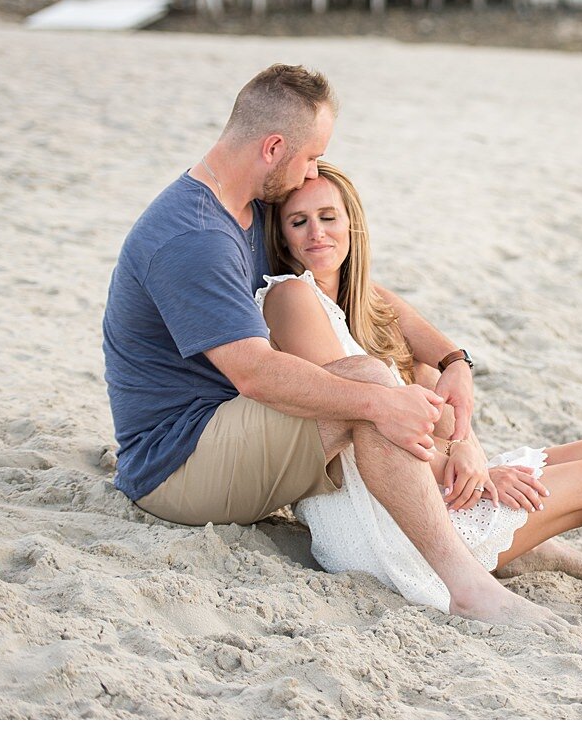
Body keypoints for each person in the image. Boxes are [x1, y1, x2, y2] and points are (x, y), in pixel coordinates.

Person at [102, 64, 551, 626]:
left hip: (232, 423)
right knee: (367, 384)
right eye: (311, 155)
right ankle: (466, 586)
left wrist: (451, 357)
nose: (313, 170)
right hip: (175, 464)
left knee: (390, 382)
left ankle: (478, 536)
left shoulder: (253, 205)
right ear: (273, 147)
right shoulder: (194, 237)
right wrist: (381, 400)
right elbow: (255, 374)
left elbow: (355, 282)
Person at [259, 162, 582, 636]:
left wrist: (467, 444)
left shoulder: (360, 294)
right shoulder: (293, 297)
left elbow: (448, 359)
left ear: (352, 224)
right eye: (299, 222)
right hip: (377, 522)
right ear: (282, 237)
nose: (316, 234)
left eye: (328, 218)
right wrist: (477, 469)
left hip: (418, 485)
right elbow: (359, 429)